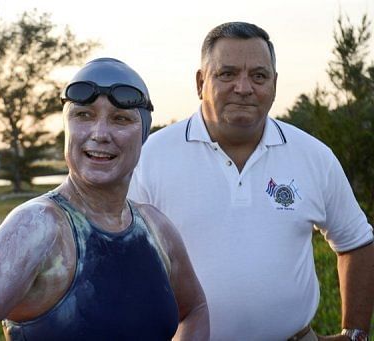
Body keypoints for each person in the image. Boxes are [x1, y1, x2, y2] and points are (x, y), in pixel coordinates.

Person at [0, 57, 209, 341]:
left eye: (120, 119)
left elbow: (195, 309)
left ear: (143, 134)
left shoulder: (155, 229)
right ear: (67, 127)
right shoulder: (40, 226)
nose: (100, 134)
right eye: (84, 115)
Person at [129, 22, 374, 340]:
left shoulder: (314, 156)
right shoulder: (151, 157)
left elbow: (356, 242)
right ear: (201, 81)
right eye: (227, 74)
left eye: (258, 76)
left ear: (274, 83)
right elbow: (118, 258)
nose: (244, 88)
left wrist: (355, 333)